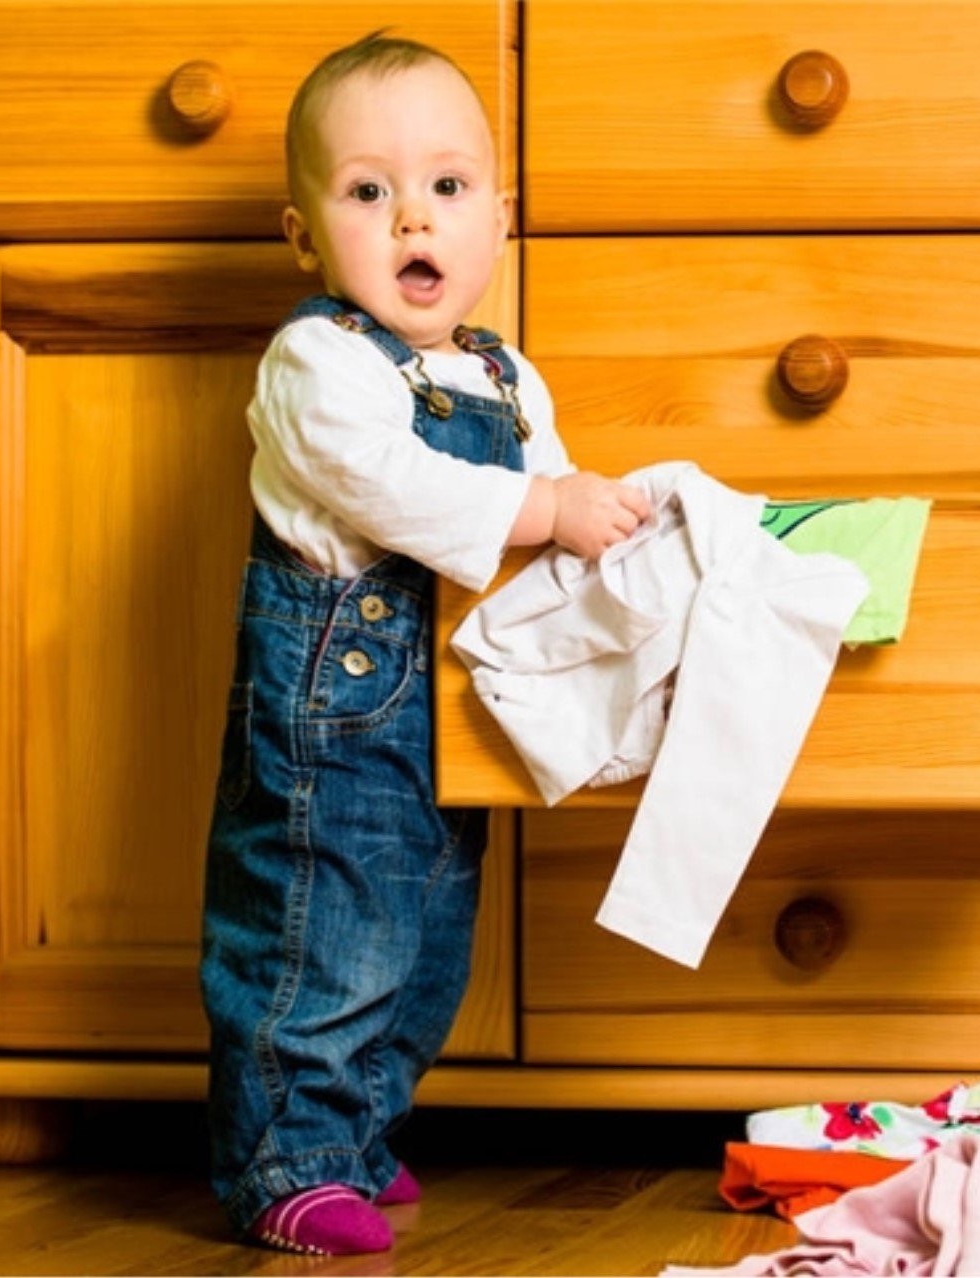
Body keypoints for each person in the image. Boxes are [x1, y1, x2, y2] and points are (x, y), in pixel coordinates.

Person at [199, 33, 650, 1257]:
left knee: (424, 939)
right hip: (331, 714)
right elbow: (385, 481)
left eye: (448, 186)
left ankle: (357, 1134)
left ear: (498, 219)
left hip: (445, 703)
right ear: (305, 236)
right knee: (319, 930)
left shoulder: (506, 376)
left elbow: (546, 514)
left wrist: (602, 532)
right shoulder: (319, 362)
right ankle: (284, 1159)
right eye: (367, 191)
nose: (413, 217)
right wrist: (546, 508)